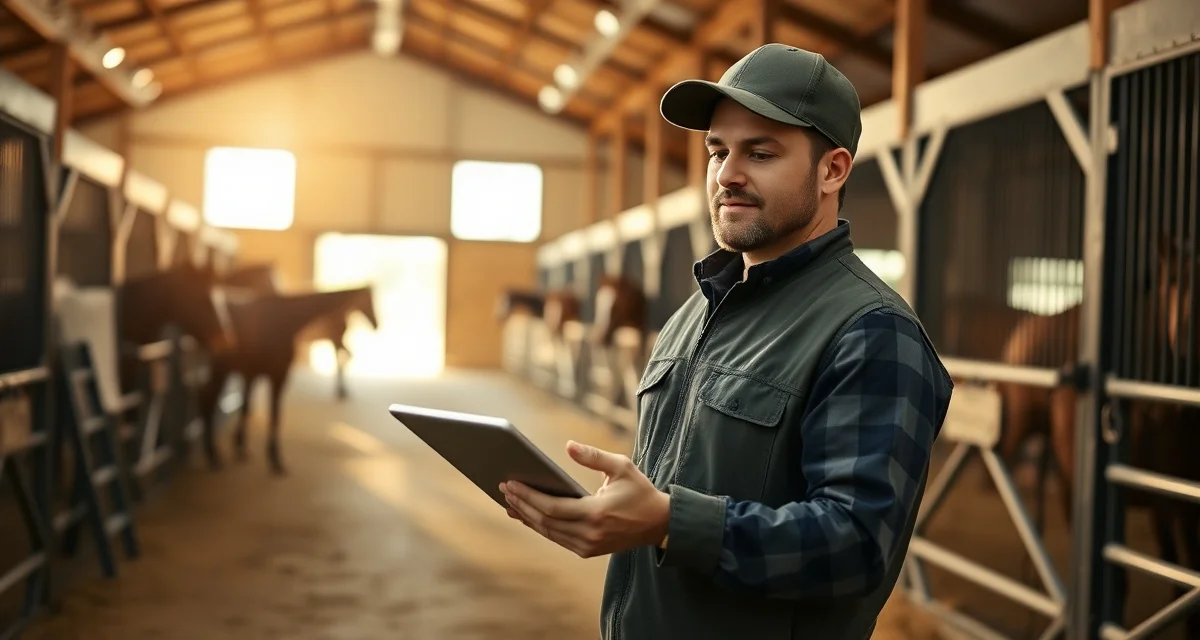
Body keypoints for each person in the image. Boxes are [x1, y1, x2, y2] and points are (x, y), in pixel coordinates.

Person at [499, 43, 953, 639]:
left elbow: (856, 544)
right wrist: (623, 512)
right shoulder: (697, 310)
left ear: (832, 170)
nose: (727, 174)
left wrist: (667, 522)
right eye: (717, 151)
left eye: (760, 153)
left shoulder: (869, 330)